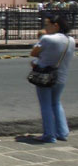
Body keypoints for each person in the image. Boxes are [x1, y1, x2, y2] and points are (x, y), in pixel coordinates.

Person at [22, 14, 74, 143]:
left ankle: (49, 134)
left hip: (45, 75)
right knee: (56, 103)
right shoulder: (71, 40)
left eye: (47, 25)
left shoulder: (47, 39)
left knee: (45, 104)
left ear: (55, 25)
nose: (45, 28)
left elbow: (34, 52)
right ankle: (62, 132)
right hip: (61, 75)